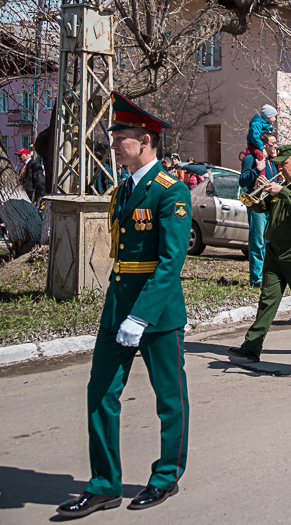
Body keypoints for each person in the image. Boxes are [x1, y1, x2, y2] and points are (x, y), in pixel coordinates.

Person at [57, 92, 191, 518]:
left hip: (156, 312)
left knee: (169, 399)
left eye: (122, 138)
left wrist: (141, 315)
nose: (113, 145)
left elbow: (171, 263)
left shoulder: (171, 192)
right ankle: (103, 485)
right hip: (119, 308)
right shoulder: (123, 190)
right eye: (114, 137)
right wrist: (122, 311)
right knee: (100, 393)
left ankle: (166, 475)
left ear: (146, 141)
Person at [227, 145, 291, 362]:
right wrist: (258, 192)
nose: (279, 167)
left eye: (283, 163)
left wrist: (282, 192)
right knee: (267, 299)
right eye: (278, 164)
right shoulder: (279, 185)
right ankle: (252, 347)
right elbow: (261, 208)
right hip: (275, 251)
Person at [239, 131, 278, 287]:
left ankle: (268, 274)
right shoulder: (251, 159)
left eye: (276, 143)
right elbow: (242, 181)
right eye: (272, 144)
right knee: (258, 241)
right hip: (256, 203)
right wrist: (256, 170)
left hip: (270, 204)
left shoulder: (272, 161)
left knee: (269, 241)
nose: (275, 146)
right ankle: (257, 279)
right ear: (264, 145)